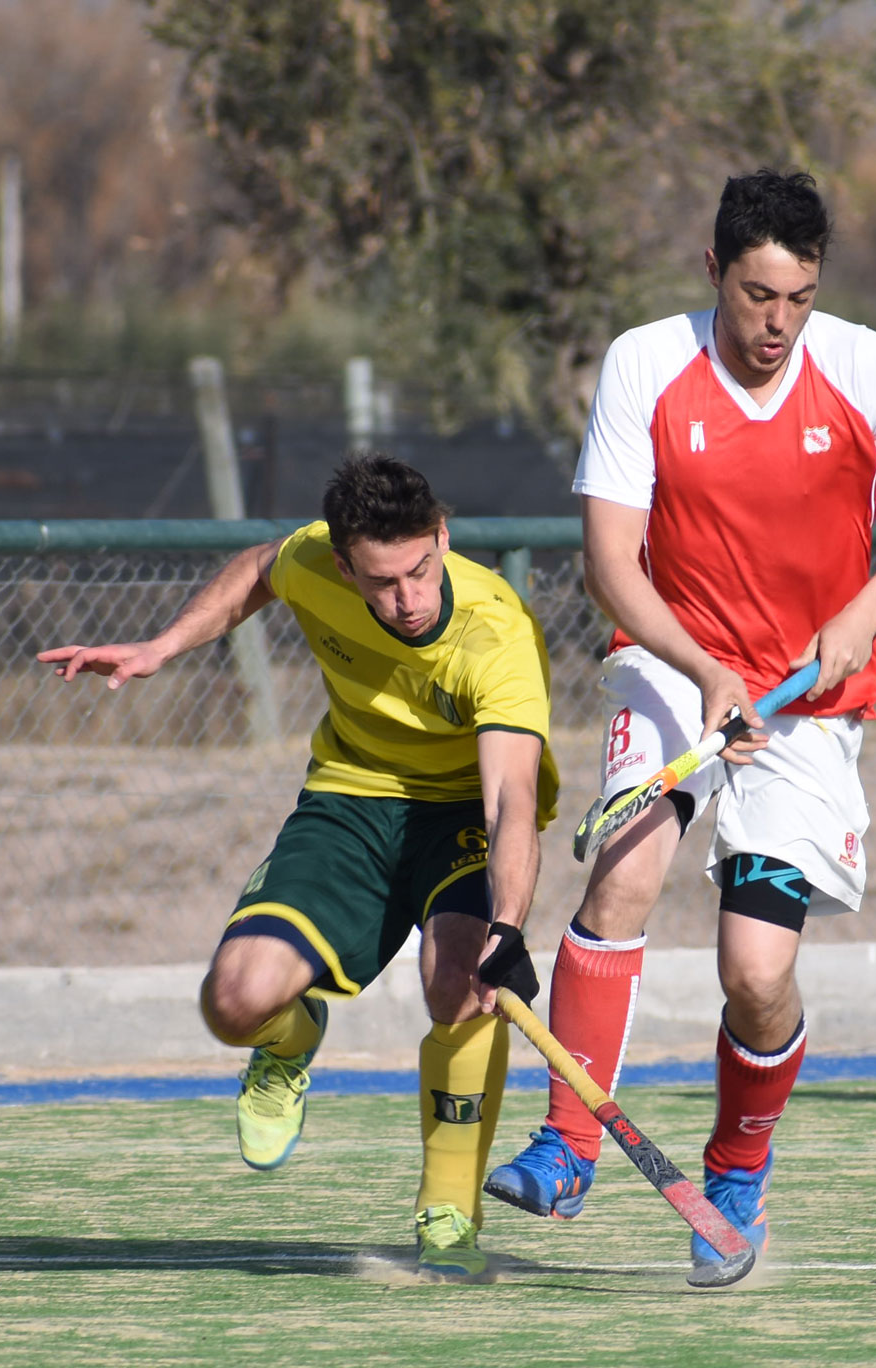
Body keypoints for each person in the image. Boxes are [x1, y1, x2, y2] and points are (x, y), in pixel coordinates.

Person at [483, 168, 876, 1274]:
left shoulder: (863, 366)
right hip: (673, 669)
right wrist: (701, 667)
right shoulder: (644, 364)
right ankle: (567, 1147)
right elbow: (612, 564)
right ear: (714, 270)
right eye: (758, 295)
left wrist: (859, 616)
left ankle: (737, 1172)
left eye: (798, 297)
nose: (777, 324)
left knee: (755, 973)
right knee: (621, 870)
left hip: (808, 709)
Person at [38, 454, 556, 1282]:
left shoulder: (496, 633)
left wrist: (508, 928)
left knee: (458, 978)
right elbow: (259, 569)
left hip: (459, 809)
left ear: (442, 538)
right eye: (383, 582)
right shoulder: (316, 559)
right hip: (348, 798)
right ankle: (289, 1038)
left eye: (422, 569)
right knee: (235, 1000)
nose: (409, 599)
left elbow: (510, 805)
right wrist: (164, 645)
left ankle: (449, 1210)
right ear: (345, 566)